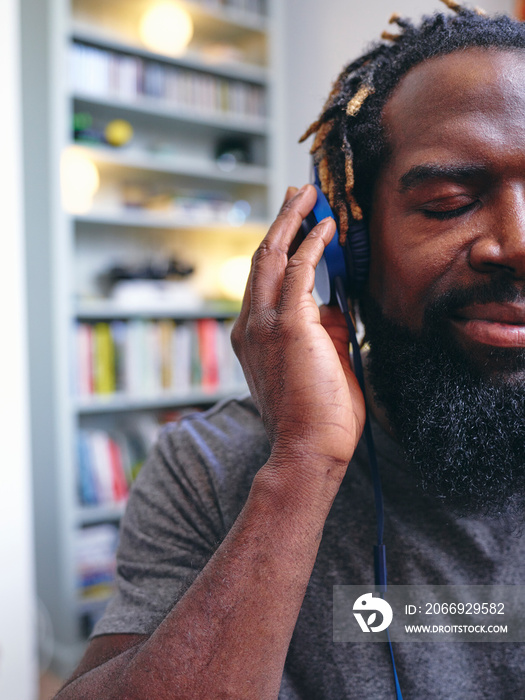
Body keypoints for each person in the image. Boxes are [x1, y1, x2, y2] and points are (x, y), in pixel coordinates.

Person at [56, 2, 525, 698]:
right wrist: (303, 464)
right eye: (448, 203)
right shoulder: (213, 469)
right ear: (347, 246)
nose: (515, 243)